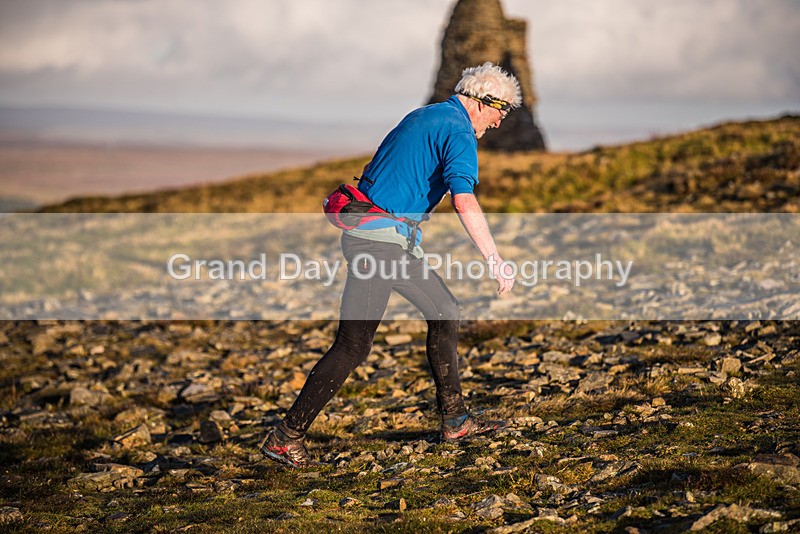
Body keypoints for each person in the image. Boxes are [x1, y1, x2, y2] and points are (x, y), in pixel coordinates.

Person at [260, 62, 520, 468]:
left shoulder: (426, 115)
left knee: (444, 310)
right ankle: (285, 437)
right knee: (353, 345)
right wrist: (494, 259)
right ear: (482, 101)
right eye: (501, 110)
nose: (501, 121)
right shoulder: (458, 130)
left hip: (384, 241)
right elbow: (464, 199)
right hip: (379, 245)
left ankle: (455, 420)